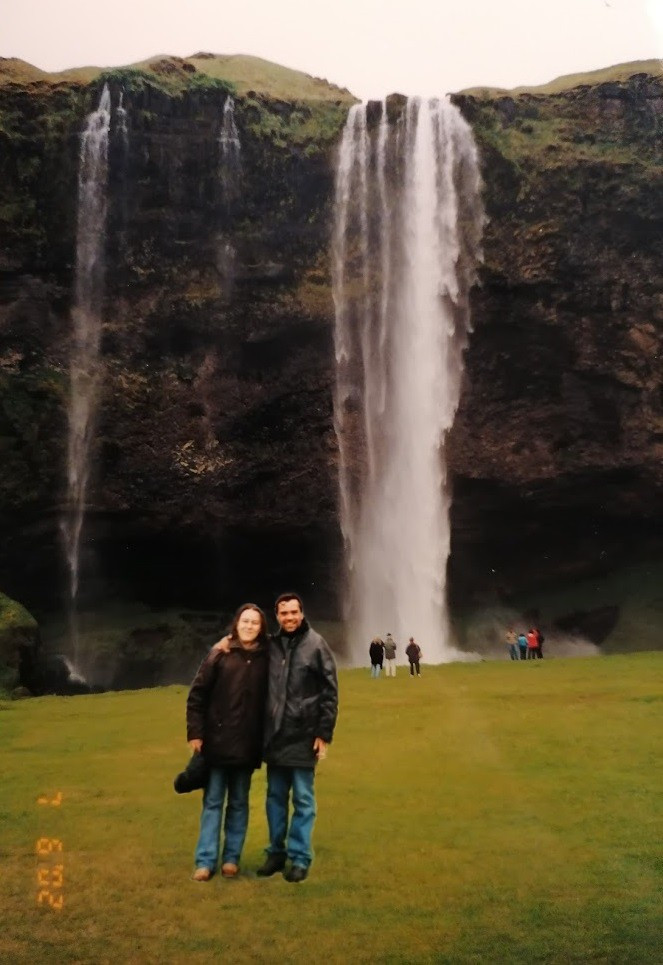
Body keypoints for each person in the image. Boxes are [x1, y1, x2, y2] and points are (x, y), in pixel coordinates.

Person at [214, 591, 338, 883]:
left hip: (305, 735)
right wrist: (224, 644)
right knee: (275, 799)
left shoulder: (317, 645)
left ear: (302, 613)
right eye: (284, 613)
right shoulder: (271, 646)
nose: (289, 617)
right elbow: (243, 647)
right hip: (275, 737)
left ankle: (299, 857)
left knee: (304, 800)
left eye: (294, 612)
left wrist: (324, 732)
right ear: (277, 616)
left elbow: (330, 692)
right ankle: (276, 853)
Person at [186, 603, 270, 881]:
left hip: (247, 744)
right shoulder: (219, 655)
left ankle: (231, 859)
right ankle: (205, 861)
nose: (249, 626)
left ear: (261, 628)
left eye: (255, 623)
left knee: (238, 803)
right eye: (245, 621)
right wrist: (196, 733)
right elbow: (197, 695)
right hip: (217, 743)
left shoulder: (266, 657)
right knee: (212, 802)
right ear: (236, 624)